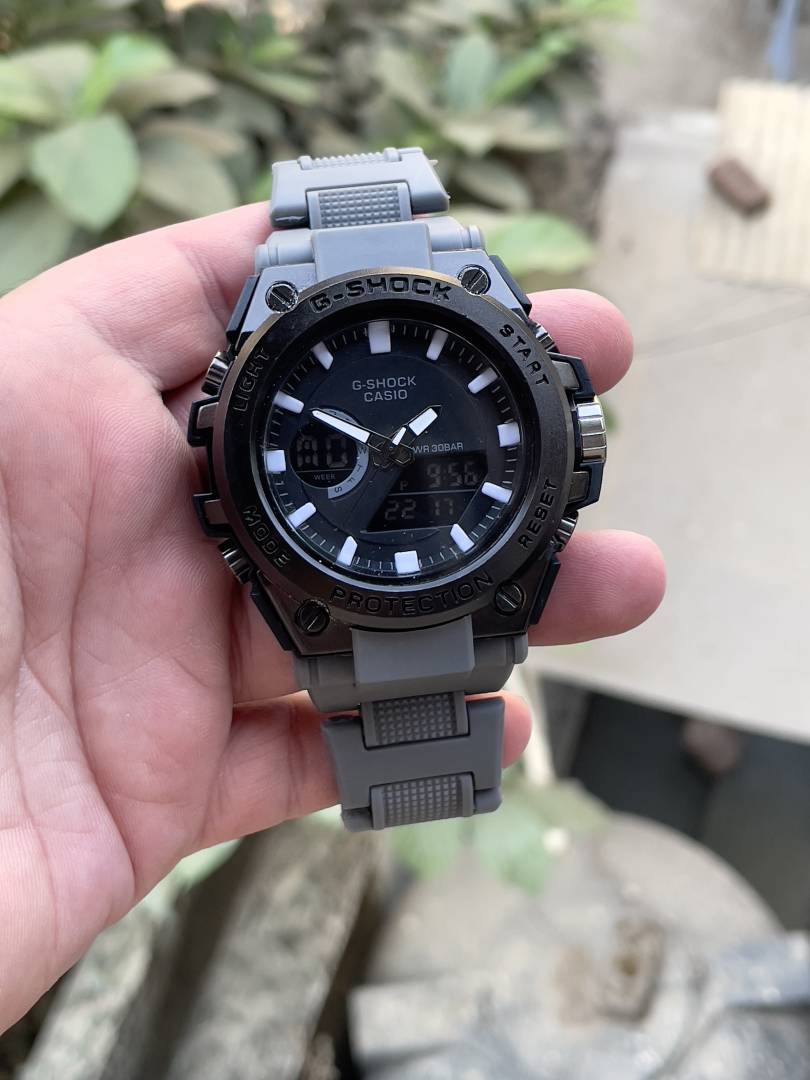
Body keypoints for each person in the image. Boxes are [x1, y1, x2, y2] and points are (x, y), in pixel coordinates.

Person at [0, 204, 665, 1032]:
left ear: (576, 443)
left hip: (450, 583)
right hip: (370, 588)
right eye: (370, 454)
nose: (389, 457)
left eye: (397, 453)